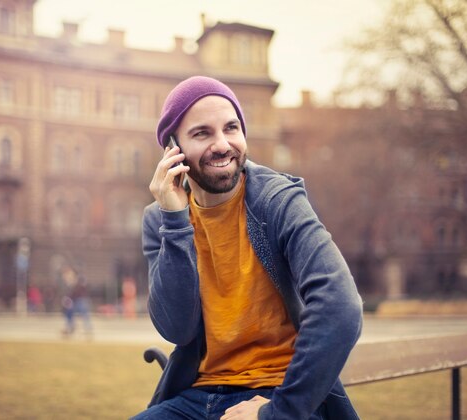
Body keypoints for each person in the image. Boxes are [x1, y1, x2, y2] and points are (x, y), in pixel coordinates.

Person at [134, 76, 363, 419]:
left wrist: (276, 413)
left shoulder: (278, 200)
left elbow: (341, 306)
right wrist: (175, 221)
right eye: (202, 133)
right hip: (198, 397)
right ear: (172, 148)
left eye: (231, 127)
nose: (223, 144)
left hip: (278, 394)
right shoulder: (161, 220)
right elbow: (177, 329)